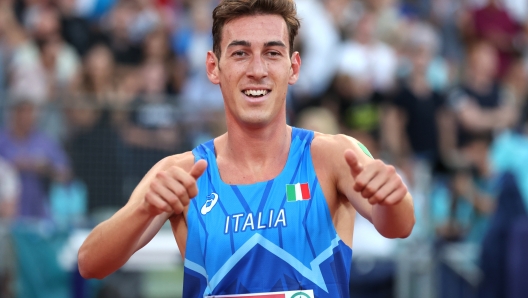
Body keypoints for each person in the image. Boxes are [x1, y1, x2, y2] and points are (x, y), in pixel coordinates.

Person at [78, 1, 415, 297]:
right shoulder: (180, 173)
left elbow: (397, 226)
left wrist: (393, 198)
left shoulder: (332, 156)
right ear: (213, 67)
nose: (257, 70)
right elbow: (90, 263)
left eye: (272, 53)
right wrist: (144, 210)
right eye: (240, 53)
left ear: (293, 67)